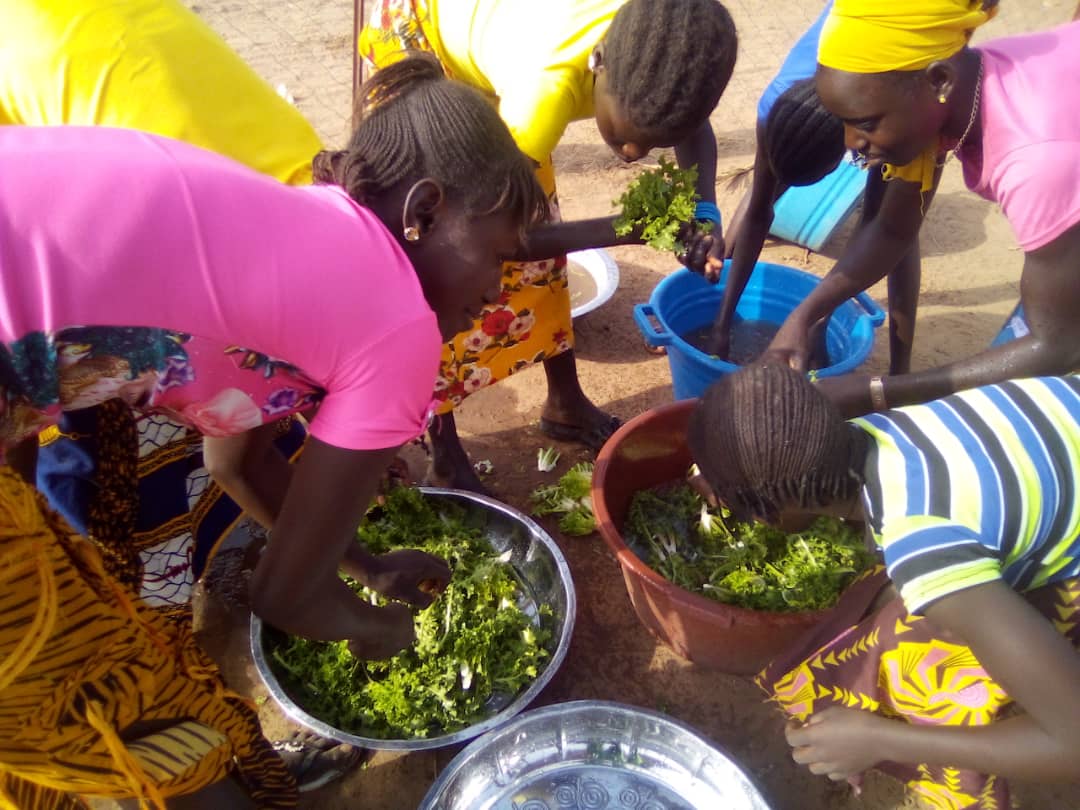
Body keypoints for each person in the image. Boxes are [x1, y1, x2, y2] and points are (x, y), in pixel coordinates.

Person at [0, 55, 548, 808]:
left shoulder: (314, 229)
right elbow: (284, 597)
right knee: (137, 732)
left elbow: (236, 466)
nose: (497, 292)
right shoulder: (398, 325)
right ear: (422, 211)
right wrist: (371, 626)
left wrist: (364, 563)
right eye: (497, 257)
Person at [0, 0, 321, 622]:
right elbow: (233, 458)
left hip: (174, 271)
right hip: (99, 287)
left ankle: (197, 556)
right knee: (128, 470)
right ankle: (131, 605)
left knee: (217, 430)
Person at [359, 0, 738, 489]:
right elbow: (493, 238)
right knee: (443, 258)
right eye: (629, 136)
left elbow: (693, 125)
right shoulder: (544, 92)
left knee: (542, 225)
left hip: (507, 48)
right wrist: (629, 226)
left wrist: (704, 208)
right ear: (597, 63)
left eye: (652, 143)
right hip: (425, 36)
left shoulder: (666, 52)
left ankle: (565, 403)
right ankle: (447, 448)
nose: (631, 155)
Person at [688, 363, 1080, 809]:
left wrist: (881, 738)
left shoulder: (926, 546)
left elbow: (1073, 744)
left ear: (775, 508)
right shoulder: (888, 428)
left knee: (936, 676)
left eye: (742, 505)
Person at [764, 4, 1080, 418]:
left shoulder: (1035, 160)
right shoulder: (948, 98)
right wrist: (803, 317)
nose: (851, 142)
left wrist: (877, 392)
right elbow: (894, 231)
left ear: (938, 80)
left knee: (1016, 404)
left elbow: (1056, 344)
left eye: (866, 123)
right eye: (843, 122)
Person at [703, 0, 924, 376]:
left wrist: (819, 321)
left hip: (907, 51)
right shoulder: (777, 104)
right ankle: (718, 304)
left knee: (897, 219)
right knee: (763, 190)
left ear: (849, 146)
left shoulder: (892, 121)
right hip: (856, 35)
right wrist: (721, 325)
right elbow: (759, 208)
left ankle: (900, 372)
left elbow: (883, 229)